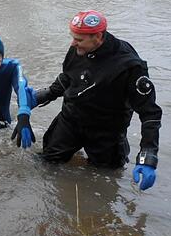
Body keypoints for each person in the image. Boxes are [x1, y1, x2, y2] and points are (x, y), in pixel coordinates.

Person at [30, 10, 162, 190]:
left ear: (98, 37)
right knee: (46, 164)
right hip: (71, 121)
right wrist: (43, 95)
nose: (73, 43)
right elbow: (69, 77)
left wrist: (148, 157)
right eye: (73, 37)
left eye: (79, 39)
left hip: (106, 132)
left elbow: (150, 113)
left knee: (104, 181)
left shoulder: (130, 66)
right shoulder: (78, 48)